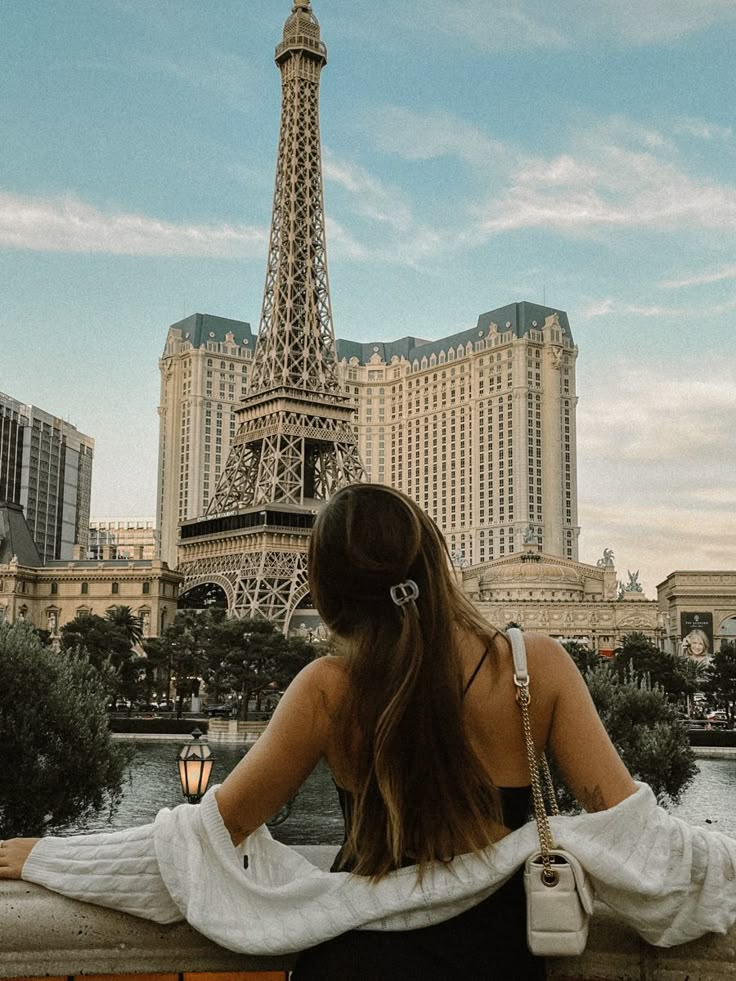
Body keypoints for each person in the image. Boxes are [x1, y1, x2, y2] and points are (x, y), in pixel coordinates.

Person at [1, 485, 735, 977]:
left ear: (323, 591)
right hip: (490, 962)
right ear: (434, 559)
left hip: (353, 961)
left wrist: (46, 857)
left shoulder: (326, 689)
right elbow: (644, 842)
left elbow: (196, 840)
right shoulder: (531, 666)